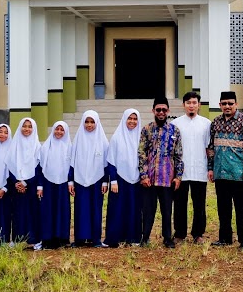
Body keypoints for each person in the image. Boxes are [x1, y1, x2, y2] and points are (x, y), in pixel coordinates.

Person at [207, 91, 243, 250]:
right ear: (220, 105)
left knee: (242, 209)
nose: (227, 106)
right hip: (220, 173)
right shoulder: (215, 122)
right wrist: (210, 168)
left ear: (236, 104)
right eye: (224, 103)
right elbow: (211, 147)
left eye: (230, 103)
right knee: (223, 208)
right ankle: (225, 238)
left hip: (239, 174)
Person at [139, 98, 183, 248]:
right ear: (153, 111)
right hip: (149, 179)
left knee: (167, 211)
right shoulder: (146, 129)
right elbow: (141, 154)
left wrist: (178, 176)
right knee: (148, 210)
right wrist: (143, 175)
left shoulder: (174, 130)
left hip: (167, 178)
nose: (161, 112)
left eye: (164, 110)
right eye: (158, 110)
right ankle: (145, 238)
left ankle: (167, 238)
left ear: (168, 111)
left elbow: (178, 155)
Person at [172, 91, 211, 244]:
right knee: (180, 203)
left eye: (194, 103)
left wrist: (210, 168)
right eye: (188, 103)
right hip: (181, 171)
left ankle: (198, 233)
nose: (191, 106)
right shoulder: (176, 124)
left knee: (199, 204)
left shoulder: (206, 124)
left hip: (200, 169)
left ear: (199, 105)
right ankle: (180, 234)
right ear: (184, 105)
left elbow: (209, 148)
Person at [69, 110, 109, 247]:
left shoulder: (103, 141)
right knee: (81, 209)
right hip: (80, 179)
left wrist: (105, 181)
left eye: (92, 122)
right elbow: (72, 162)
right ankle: (80, 239)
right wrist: (70, 181)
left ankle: (96, 239)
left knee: (95, 209)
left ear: (97, 123)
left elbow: (106, 163)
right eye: (87, 121)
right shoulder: (78, 139)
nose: (89, 125)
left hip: (97, 180)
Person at [106, 109, 142, 247]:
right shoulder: (117, 137)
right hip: (120, 180)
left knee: (134, 209)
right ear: (124, 119)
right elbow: (111, 161)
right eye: (129, 118)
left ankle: (133, 238)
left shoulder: (141, 136)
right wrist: (113, 180)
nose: (132, 121)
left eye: (135, 119)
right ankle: (116, 238)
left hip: (136, 179)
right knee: (118, 209)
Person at [6, 117, 42, 247]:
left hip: (31, 186)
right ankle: (17, 239)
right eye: (24, 126)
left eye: (29, 126)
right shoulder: (14, 145)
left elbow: (39, 168)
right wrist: (16, 182)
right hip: (17, 186)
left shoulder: (37, 146)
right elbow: (9, 165)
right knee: (17, 212)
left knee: (32, 212)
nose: (27, 129)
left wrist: (26, 182)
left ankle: (34, 239)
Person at [38, 121, 72, 249]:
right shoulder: (46, 147)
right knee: (48, 210)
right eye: (57, 129)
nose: (59, 132)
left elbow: (71, 167)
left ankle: (61, 238)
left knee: (62, 210)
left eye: (62, 130)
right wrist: (40, 186)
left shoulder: (69, 147)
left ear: (66, 132)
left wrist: (70, 182)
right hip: (48, 183)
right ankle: (48, 238)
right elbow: (40, 167)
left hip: (63, 184)